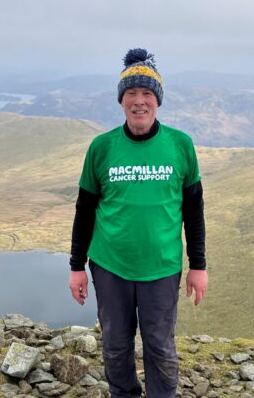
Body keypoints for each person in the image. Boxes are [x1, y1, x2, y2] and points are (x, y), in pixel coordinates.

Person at [69, 48, 208, 398]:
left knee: (159, 346)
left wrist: (199, 266)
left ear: (157, 100)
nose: (139, 101)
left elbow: (193, 210)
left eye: (147, 93)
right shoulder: (101, 148)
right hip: (109, 265)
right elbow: (85, 210)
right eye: (131, 93)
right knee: (116, 345)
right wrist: (76, 266)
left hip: (161, 267)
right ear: (121, 100)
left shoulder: (180, 145)